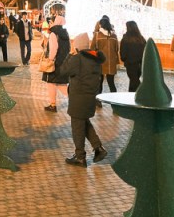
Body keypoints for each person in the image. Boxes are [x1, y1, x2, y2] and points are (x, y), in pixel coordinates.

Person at [61, 33, 108, 167]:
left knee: (77, 127)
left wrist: (69, 55)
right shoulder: (95, 59)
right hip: (90, 98)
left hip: (78, 99)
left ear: (77, 46)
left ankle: (80, 156)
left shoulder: (78, 59)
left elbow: (63, 71)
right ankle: (98, 148)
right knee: (84, 123)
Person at [42, 15, 71, 111]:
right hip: (63, 61)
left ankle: (53, 104)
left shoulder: (53, 34)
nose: (50, 23)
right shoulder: (65, 33)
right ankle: (53, 104)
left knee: (52, 83)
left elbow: (53, 48)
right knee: (59, 83)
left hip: (55, 62)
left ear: (55, 22)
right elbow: (69, 48)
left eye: (51, 22)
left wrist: (50, 59)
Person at [91, 16, 119, 93]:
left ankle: (98, 99)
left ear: (101, 25)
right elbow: (116, 49)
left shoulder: (97, 35)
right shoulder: (114, 36)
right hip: (111, 62)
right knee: (111, 83)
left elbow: (92, 49)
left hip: (100, 61)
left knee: (99, 83)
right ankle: (114, 99)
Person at [119, 21, 146, 91]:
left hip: (130, 64)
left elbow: (123, 53)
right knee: (134, 80)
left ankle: (141, 92)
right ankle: (131, 94)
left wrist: (124, 59)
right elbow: (145, 51)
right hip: (140, 64)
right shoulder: (141, 39)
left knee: (134, 81)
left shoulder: (125, 39)